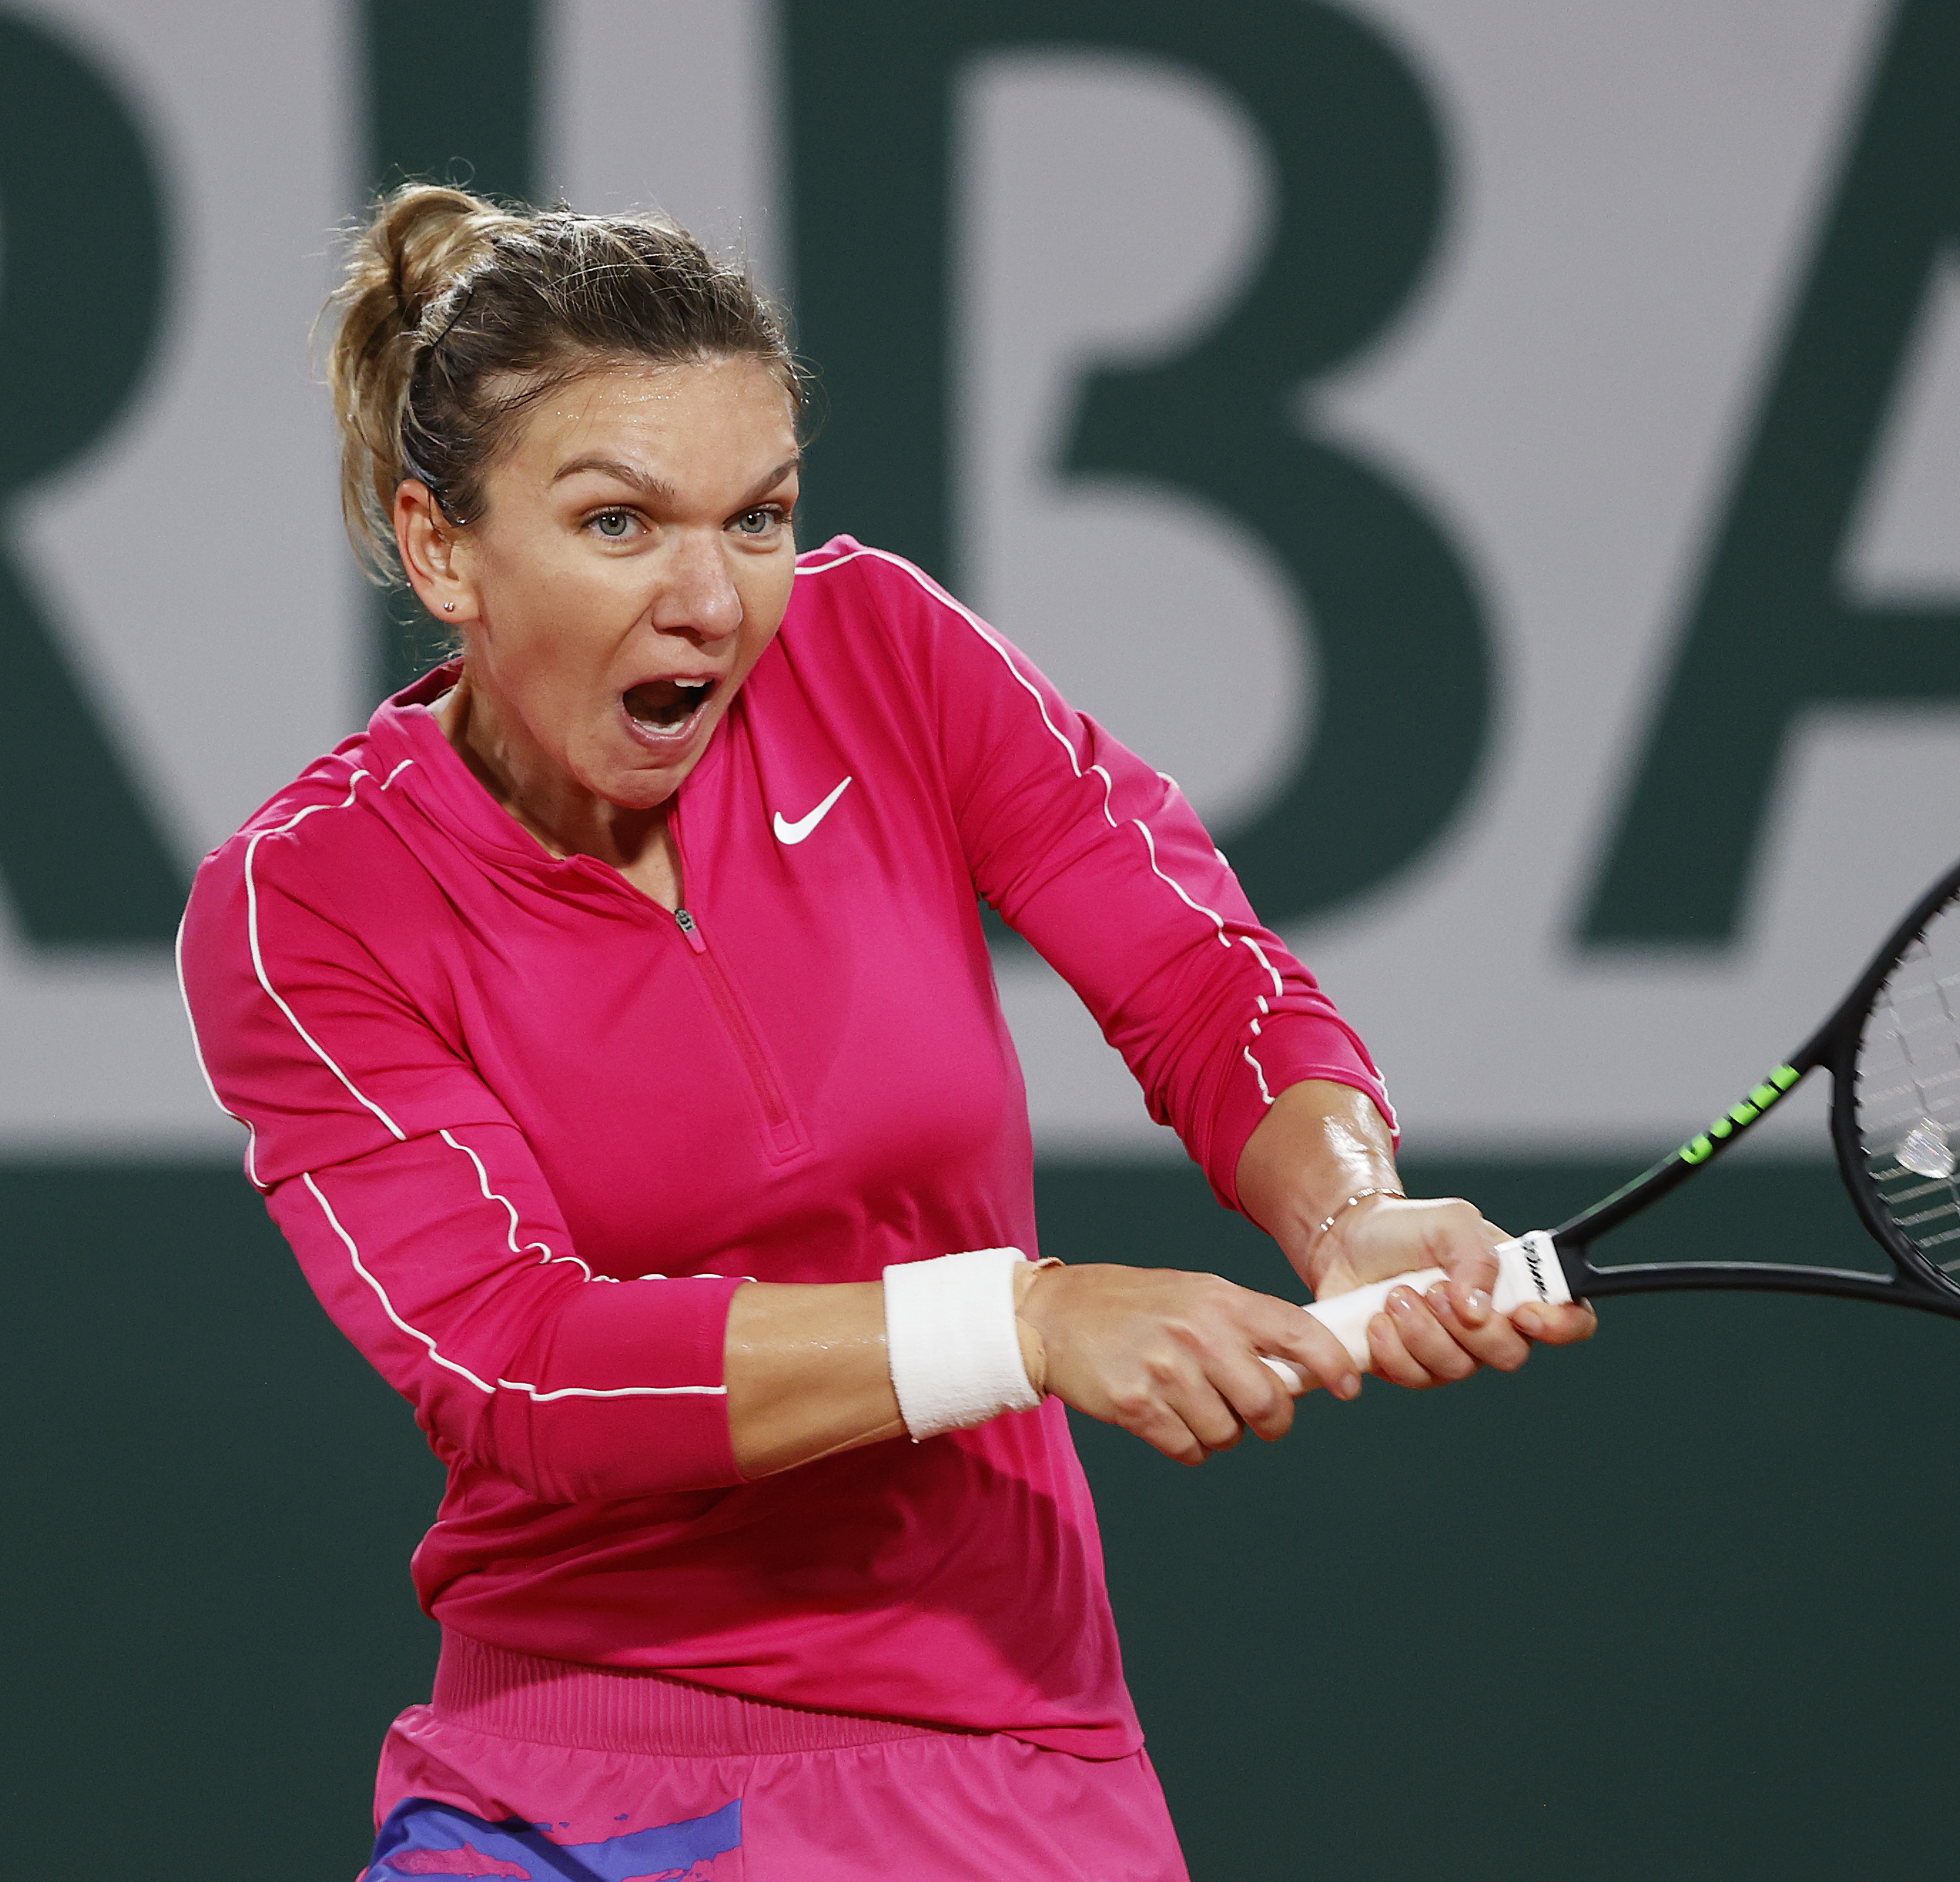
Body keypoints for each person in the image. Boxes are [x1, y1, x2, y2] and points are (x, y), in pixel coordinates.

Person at [176, 185, 1591, 1881]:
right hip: (572, 1782)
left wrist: (1341, 1206)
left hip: (1006, 1766)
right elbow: (516, 1360)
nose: (711, 599)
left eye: (758, 517)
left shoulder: (887, 653)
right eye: (621, 525)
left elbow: (1202, 973)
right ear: (441, 549)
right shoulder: (311, 899)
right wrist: (1026, 1320)